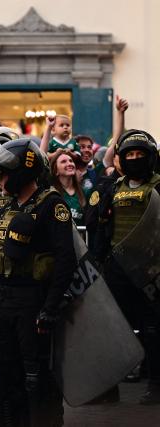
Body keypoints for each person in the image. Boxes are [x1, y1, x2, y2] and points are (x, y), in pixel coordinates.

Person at [0, 139, 76, 426]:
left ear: (22, 170)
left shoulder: (52, 205)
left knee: (36, 377)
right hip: (2, 303)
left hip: (33, 301)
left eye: (5, 172)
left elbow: (65, 260)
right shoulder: (4, 211)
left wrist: (50, 307)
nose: (1, 179)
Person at [87, 129, 160, 404]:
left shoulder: (158, 185)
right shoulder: (111, 188)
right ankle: (108, 387)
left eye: (140, 154)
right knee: (111, 329)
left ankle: (156, 384)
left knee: (153, 329)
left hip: (152, 270)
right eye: (129, 154)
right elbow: (96, 226)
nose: (135, 158)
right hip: (117, 269)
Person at [50, 150, 86, 226]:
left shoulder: (85, 192)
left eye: (71, 161)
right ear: (56, 170)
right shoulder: (51, 194)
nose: (69, 164)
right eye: (63, 161)